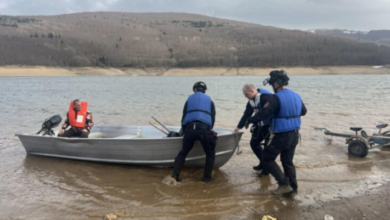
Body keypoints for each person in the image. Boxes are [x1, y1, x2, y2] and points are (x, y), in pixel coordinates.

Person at [246, 70, 307, 195]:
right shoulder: (296, 95)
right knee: (287, 162)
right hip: (295, 134)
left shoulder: (276, 98)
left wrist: (250, 120)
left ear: (276, 83)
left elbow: (264, 113)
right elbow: (304, 111)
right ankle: (293, 189)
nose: (272, 87)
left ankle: (283, 183)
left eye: (272, 84)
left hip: (282, 135)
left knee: (266, 158)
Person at [171, 81, 217, 183]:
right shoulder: (210, 102)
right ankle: (207, 179)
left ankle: (174, 176)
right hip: (204, 129)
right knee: (210, 154)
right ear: (204, 91)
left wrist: (183, 133)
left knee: (183, 153)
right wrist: (209, 130)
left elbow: (184, 118)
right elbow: (212, 118)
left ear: (194, 89)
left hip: (190, 129)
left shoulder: (188, 101)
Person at [234, 83, 273, 177]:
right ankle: (262, 162)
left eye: (246, 94)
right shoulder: (251, 101)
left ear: (252, 91)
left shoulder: (264, 97)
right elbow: (246, 114)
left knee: (268, 149)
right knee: (254, 144)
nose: (245, 97)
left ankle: (266, 171)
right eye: (244, 95)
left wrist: (251, 120)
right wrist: (239, 127)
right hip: (259, 126)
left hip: (270, 126)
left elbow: (267, 112)